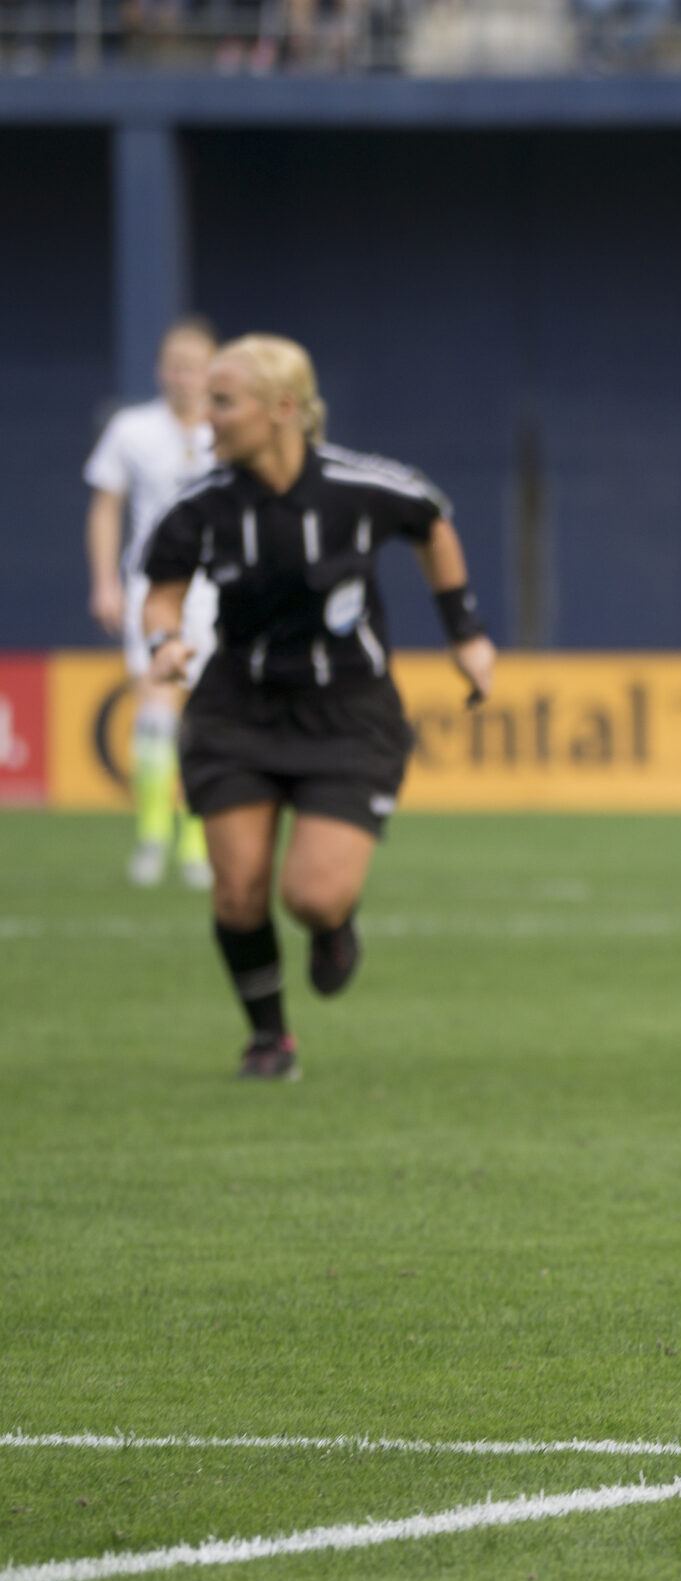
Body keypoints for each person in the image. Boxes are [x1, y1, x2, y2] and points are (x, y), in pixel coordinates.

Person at [137, 335, 496, 1081]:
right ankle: (270, 1038)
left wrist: (465, 633)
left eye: (223, 400)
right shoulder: (202, 505)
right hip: (239, 708)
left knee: (312, 895)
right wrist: (165, 640)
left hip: (348, 712)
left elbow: (433, 524)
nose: (206, 415)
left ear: (282, 410)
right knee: (237, 889)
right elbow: (163, 588)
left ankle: (334, 926)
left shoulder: (361, 489)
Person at [85, 316, 220, 890]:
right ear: (159, 371)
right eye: (175, 367)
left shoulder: (228, 429)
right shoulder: (131, 429)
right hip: (152, 585)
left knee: (206, 714)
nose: (185, 378)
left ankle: (196, 842)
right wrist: (105, 582)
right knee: (156, 707)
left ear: (213, 371)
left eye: (195, 367)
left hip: (216, 587)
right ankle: (151, 836)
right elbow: (106, 506)